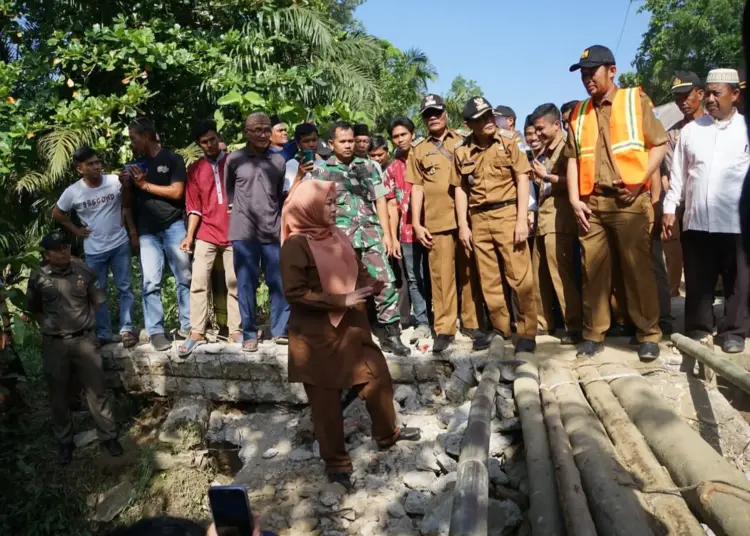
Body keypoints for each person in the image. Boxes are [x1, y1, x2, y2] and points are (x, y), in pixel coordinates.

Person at [279, 179, 421, 489]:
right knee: (326, 403)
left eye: (333, 202)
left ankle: (387, 434)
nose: (334, 208)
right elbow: (295, 292)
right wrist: (339, 300)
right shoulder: (295, 245)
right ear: (309, 208)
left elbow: (355, 268)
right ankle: (336, 462)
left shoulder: (337, 235)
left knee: (378, 378)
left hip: (353, 328)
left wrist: (373, 284)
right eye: (328, 203)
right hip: (316, 337)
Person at [566, 45, 667, 361]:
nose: (587, 79)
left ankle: (648, 334)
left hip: (629, 201)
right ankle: (593, 334)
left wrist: (642, 179)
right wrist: (573, 199)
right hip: (591, 203)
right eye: (583, 73)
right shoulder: (579, 112)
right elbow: (572, 159)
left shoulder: (634, 101)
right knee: (592, 271)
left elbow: (660, 144)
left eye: (591, 71)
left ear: (611, 70)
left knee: (637, 271)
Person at [663, 68, 750, 353]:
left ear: (734, 95)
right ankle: (699, 329)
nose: (711, 99)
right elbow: (679, 175)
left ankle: (734, 331)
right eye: (709, 93)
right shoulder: (690, 132)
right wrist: (669, 208)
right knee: (699, 282)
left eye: (717, 93)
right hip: (698, 220)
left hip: (736, 222)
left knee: (738, 282)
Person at [311, 121, 409, 356]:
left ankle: (391, 334)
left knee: (384, 282)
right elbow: (318, 209)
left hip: (371, 233)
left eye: (351, 141)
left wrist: (386, 234)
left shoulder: (370, 167)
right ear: (331, 143)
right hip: (339, 240)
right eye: (343, 141)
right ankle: (346, 339)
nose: (348, 145)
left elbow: (381, 200)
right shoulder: (321, 171)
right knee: (342, 289)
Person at [26, 231, 123, 465]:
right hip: (54, 344)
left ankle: (108, 437)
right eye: (57, 249)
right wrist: (52, 328)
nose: (64, 252)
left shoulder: (83, 270)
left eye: (66, 246)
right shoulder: (38, 275)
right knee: (58, 396)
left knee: (97, 390)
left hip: (85, 342)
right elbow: (34, 308)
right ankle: (65, 443)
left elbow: (97, 301)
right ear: (47, 254)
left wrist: (83, 325)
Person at [452, 96, 538, 354]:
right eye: (481, 118)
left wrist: (522, 218)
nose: (489, 121)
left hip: (508, 213)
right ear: (469, 124)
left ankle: (526, 331)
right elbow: (460, 189)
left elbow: (523, 179)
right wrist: (462, 226)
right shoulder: (462, 151)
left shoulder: (510, 142)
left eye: (490, 115)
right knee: (489, 279)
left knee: (519, 276)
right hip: (478, 218)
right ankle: (502, 329)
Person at [407, 94, 490, 353]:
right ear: (423, 119)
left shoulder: (465, 140)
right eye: (427, 114)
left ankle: (473, 324)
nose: (432, 117)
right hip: (437, 221)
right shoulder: (418, 150)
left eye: (436, 112)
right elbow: (417, 188)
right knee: (441, 278)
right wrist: (417, 224)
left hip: (468, 219)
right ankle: (444, 328)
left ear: (445, 114)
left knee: (469, 275)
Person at [53, 146, 137, 348]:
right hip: (94, 250)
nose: (96, 166)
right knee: (99, 292)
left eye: (97, 162)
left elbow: (127, 204)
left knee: (125, 287)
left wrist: (125, 186)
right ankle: (104, 333)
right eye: (90, 164)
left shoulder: (113, 181)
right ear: (80, 169)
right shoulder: (73, 191)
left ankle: (126, 330)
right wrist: (75, 230)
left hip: (119, 243)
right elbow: (57, 213)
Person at [226, 112, 290, 353]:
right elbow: (230, 192)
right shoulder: (235, 159)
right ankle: (249, 332)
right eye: (257, 130)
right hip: (243, 231)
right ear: (247, 133)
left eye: (266, 129)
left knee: (278, 282)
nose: (263, 134)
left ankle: (280, 330)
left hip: (272, 230)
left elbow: (278, 194)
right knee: (245, 283)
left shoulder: (278, 161)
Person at [126, 118, 192, 351]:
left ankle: (188, 326)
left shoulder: (173, 159)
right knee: (151, 281)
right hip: (147, 232)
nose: (131, 143)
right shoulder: (135, 166)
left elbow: (177, 192)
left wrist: (144, 186)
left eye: (133, 138)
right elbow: (127, 203)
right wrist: (129, 184)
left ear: (145, 135)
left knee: (184, 276)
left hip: (173, 225)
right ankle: (155, 331)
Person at [178, 120, 241, 357]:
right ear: (199, 144)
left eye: (212, 139)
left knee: (235, 282)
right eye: (204, 142)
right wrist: (189, 237)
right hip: (206, 233)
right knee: (198, 282)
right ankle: (197, 331)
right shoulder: (194, 169)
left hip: (235, 233)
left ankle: (236, 330)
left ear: (218, 138)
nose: (209, 144)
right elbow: (194, 207)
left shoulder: (234, 161)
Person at [530, 103, 583, 344]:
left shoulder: (566, 147)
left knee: (561, 274)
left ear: (556, 125)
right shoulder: (545, 150)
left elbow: (577, 179)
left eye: (541, 129)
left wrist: (547, 177)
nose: (538, 133)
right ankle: (543, 323)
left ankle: (574, 325)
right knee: (538, 274)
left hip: (560, 219)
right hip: (543, 218)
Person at [386, 117, 432, 340]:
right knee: (414, 278)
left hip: (433, 225)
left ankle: (441, 319)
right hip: (406, 231)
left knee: (437, 275)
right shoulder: (393, 168)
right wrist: (392, 237)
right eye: (395, 136)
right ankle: (423, 321)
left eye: (403, 134)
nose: (400, 139)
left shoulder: (426, 156)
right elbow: (392, 203)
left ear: (412, 134)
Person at [662, 71, 705, 299]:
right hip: (686, 207)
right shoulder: (673, 134)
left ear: (700, 93)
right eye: (677, 98)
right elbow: (673, 174)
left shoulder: (719, 125)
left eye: (686, 96)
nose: (682, 102)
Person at [283, 123, 325, 194]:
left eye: (314, 140)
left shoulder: (323, 163)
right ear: (298, 144)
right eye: (306, 141)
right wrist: (299, 176)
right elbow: (287, 196)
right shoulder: (291, 165)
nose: (311, 144)